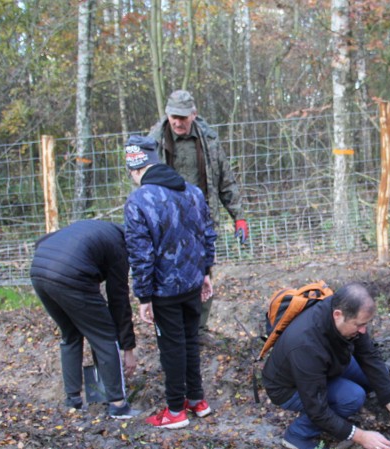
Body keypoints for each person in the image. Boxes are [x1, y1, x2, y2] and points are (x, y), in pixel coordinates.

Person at [123, 135, 218, 429]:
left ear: (134, 169)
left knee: (172, 347)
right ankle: (197, 401)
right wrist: (205, 272)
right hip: (192, 284)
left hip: (164, 291)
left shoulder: (138, 201)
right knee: (190, 341)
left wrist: (144, 296)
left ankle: (175, 410)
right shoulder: (192, 192)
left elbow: (141, 254)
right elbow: (207, 234)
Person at [261, 282, 390, 449]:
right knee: (352, 397)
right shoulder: (305, 344)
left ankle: (339, 405)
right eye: (359, 325)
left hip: (326, 364)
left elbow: (370, 357)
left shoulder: (345, 312)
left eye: (366, 324)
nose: (363, 330)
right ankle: (297, 435)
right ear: (338, 315)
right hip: (288, 387)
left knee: (372, 375)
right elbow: (317, 408)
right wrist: (361, 436)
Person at [149, 90, 249, 335]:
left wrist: (239, 217)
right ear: (167, 114)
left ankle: (199, 329)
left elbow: (225, 180)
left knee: (203, 272)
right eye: (174, 116)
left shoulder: (209, 140)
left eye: (183, 117)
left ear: (194, 114)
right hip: (166, 220)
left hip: (200, 218)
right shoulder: (154, 141)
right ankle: (171, 330)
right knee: (166, 271)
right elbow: (142, 184)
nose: (178, 122)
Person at [30, 220, 138, 419]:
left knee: (70, 334)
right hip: (70, 276)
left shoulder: (97, 229)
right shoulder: (119, 247)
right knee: (105, 335)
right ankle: (118, 404)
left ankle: (73, 400)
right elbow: (119, 301)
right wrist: (127, 347)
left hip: (39, 270)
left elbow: (43, 242)